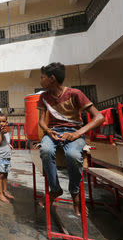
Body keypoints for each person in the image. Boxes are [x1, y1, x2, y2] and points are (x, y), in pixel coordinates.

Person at [37, 62, 104, 216]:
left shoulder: (75, 94)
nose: (40, 81)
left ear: (52, 78)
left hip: (75, 132)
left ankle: (75, 194)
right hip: (53, 132)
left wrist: (77, 133)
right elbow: (41, 121)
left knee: (73, 155)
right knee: (45, 150)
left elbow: (99, 117)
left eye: (42, 77)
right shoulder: (44, 96)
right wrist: (48, 130)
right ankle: (55, 189)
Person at [0, 112, 14, 203]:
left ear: (6, 122)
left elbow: (6, 142)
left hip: (7, 156)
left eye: (3, 121)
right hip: (0, 157)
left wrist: (9, 145)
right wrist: (1, 134)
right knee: (0, 175)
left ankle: (5, 190)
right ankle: (0, 194)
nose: (2, 123)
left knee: (5, 174)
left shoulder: (7, 131)